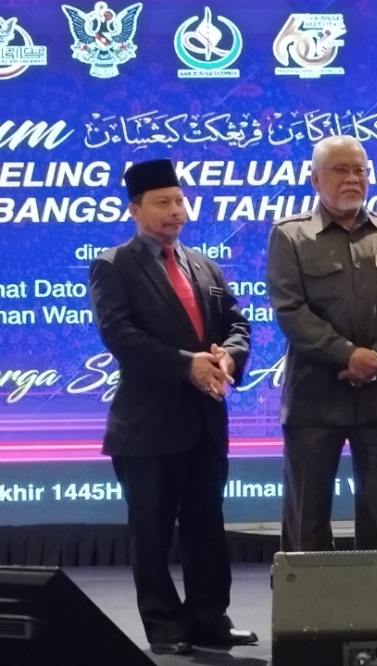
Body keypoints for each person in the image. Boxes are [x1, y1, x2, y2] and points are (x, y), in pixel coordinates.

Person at [88, 158, 255, 655]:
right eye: (162, 202)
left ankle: (209, 619)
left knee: (207, 523)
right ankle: (164, 627)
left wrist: (230, 354)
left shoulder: (203, 264)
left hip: (205, 422)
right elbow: (119, 335)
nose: (175, 211)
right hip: (147, 426)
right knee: (152, 529)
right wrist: (188, 365)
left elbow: (237, 323)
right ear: (135, 209)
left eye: (179, 200)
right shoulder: (113, 265)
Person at [267, 135, 377, 553]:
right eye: (341, 169)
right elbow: (291, 311)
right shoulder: (290, 236)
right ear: (315, 179)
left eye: (360, 170)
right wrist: (348, 355)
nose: (353, 178)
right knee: (307, 524)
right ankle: (310, 616)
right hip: (315, 399)